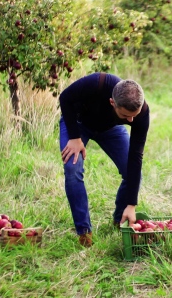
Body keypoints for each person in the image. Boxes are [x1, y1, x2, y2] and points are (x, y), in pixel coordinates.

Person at [59, 72, 149, 247]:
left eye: (134, 116)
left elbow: (135, 157)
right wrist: (75, 137)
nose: (131, 120)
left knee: (132, 172)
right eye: (125, 116)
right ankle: (84, 233)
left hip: (110, 129)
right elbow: (65, 98)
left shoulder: (141, 113)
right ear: (112, 103)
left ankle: (119, 220)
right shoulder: (98, 83)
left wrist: (132, 204)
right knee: (72, 169)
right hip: (77, 123)